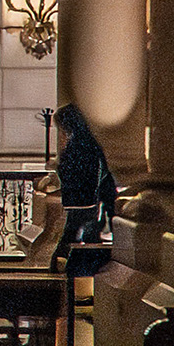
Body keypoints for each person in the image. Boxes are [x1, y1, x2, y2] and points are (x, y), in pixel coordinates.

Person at [53, 102, 118, 242]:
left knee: (68, 240)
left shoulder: (76, 146)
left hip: (78, 204)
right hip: (89, 203)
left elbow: (67, 175)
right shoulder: (92, 143)